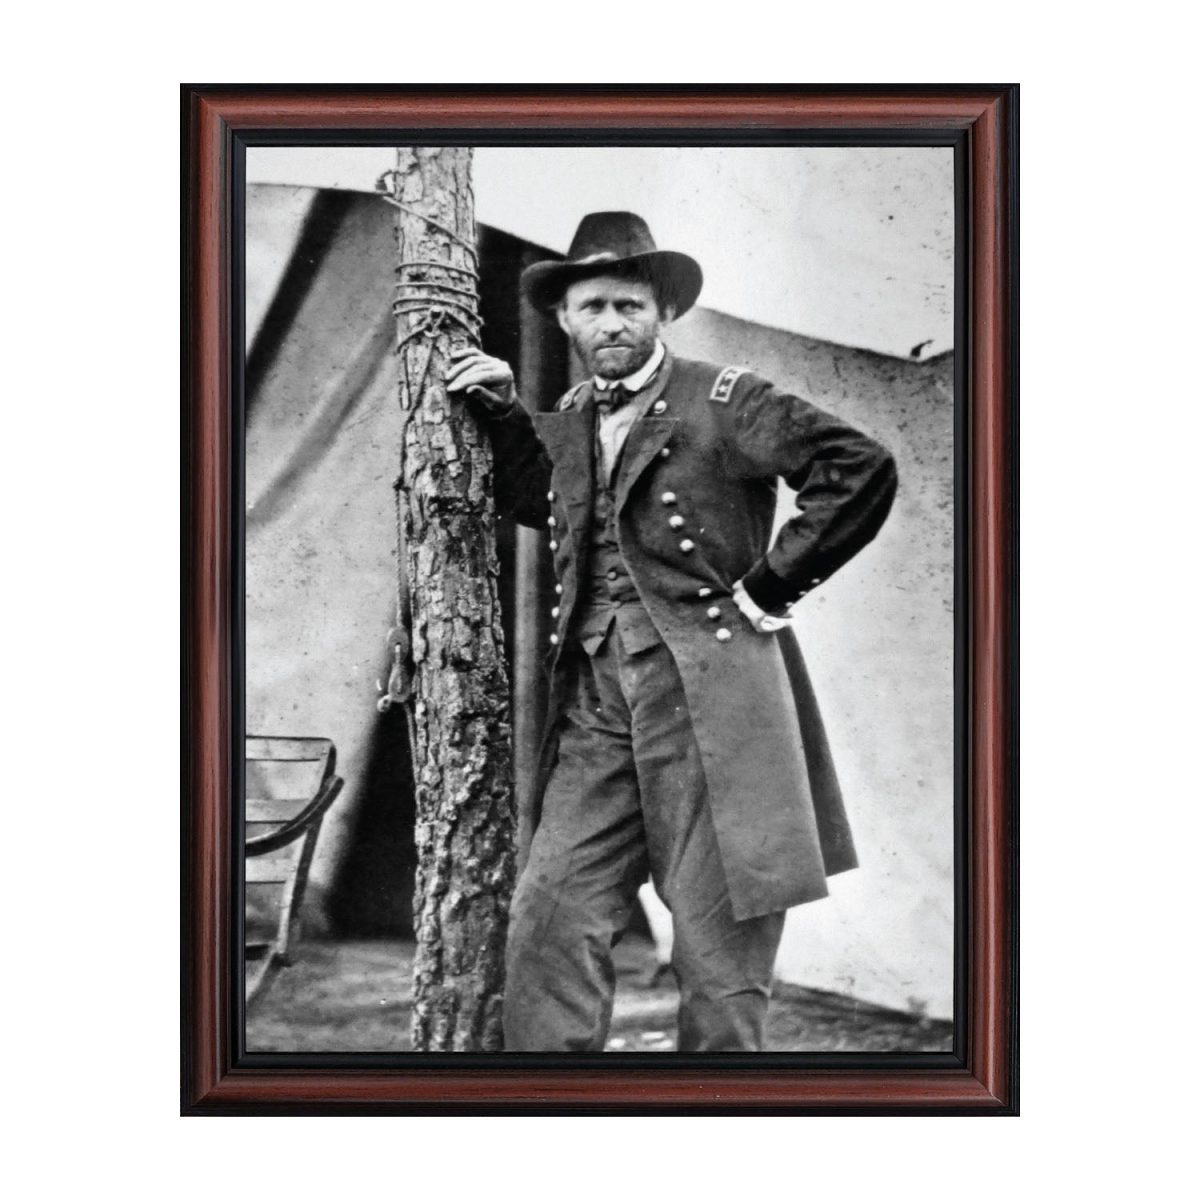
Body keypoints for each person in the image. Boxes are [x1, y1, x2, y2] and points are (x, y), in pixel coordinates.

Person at [446, 211, 898, 1052]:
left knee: (719, 953)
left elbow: (859, 465)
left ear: (663, 312)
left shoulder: (727, 398)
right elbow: (548, 502)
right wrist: (506, 415)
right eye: (592, 307)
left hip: (712, 705)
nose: (611, 323)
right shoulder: (574, 409)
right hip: (595, 706)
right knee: (549, 916)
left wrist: (771, 586)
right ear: (564, 319)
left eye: (629, 305)